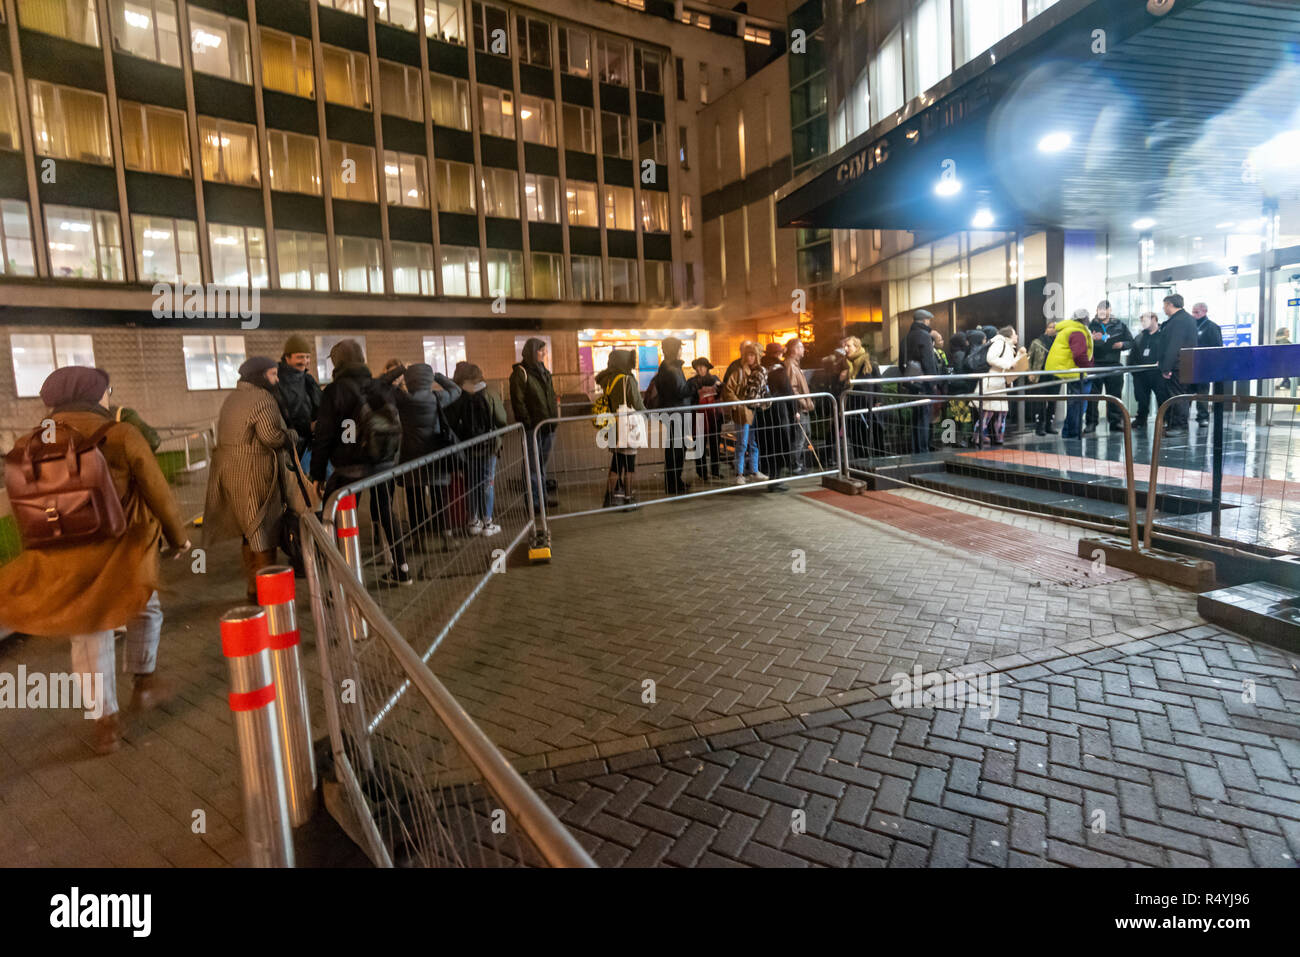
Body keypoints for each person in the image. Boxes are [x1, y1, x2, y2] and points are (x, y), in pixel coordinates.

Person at [0, 366, 190, 755]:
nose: (108, 397)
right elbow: (156, 489)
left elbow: (24, 504)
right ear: (92, 394)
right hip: (123, 547)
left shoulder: (28, 443)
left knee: (88, 632)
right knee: (146, 607)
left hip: (62, 552)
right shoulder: (120, 434)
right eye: (105, 391)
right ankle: (144, 680)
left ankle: (105, 722)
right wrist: (179, 538)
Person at [310, 339, 412, 586]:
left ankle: (345, 582)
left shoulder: (335, 391)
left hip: (349, 468)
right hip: (383, 462)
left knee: (340, 520)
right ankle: (402, 569)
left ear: (339, 362)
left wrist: (317, 474)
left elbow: (324, 435)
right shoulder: (378, 385)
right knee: (387, 512)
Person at [204, 357, 295, 600]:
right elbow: (271, 437)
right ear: (260, 376)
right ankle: (268, 594)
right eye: (273, 374)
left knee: (248, 532)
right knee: (264, 531)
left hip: (229, 471)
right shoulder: (263, 398)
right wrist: (293, 436)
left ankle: (253, 587)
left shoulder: (233, 397)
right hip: (255, 472)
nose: (276, 379)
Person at [379, 361, 461, 546]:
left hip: (411, 456)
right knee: (440, 498)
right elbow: (456, 390)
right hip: (435, 455)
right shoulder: (438, 397)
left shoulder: (403, 399)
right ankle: (446, 536)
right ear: (428, 379)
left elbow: (382, 386)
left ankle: (419, 539)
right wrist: (438, 375)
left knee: (415, 499)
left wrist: (400, 370)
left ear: (410, 379)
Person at [446, 364, 508, 536]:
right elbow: (502, 419)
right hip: (489, 447)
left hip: (468, 449)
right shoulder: (490, 393)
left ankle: (473, 521)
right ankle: (488, 522)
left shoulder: (458, 396)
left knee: (472, 484)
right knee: (488, 483)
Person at [510, 338, 558, 512]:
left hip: (548, 426)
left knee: (541, 465)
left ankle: (543, 498)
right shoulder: (520, 373)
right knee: (532, 466)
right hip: (533, 428)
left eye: (544, 350)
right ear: (531, 352)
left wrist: (554, 419)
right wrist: (528, 423)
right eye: (540, 350)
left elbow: (551, 396)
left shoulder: (544, 372)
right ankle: (534, 503)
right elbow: (518, 401)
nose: (544, 353)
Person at [596, 349, 645, 507]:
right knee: (630, 464)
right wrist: (648, 414)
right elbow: (637, 404)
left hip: (613, 426)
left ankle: (609, 498)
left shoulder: (608, 379)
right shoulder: (627, 379)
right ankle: (628, 498)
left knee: (616, 463)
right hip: (627, 426)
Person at [720, 340, 769, 484]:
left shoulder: (758, 372)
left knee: (753, 443)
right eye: (748, 354)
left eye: (753, 355)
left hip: (754, 411)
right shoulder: (739, 372)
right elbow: (728, 390)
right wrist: (739, 405)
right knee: (741, 443)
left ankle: (754, 470)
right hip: (743, 413)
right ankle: (739, 473)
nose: (750, 358)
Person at [650, 336, 691, 494]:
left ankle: (675, 481)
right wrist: (695, 384)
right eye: (680, 348)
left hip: (674, 412)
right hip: (676, 413)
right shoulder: (671, 369)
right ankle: (674, 483)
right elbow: (680, 392)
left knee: (675, 448)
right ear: (675, 350)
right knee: (676, 449)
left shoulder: (667, 367)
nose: (682, 351)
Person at [1045, 309, 1095, 439]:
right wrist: (1089, 368)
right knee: (1078, 403)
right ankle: (1072, 431)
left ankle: (1069, 430)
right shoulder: (1078, 332)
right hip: (1074, 372)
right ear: (1084, 319)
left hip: (1066, 369)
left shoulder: (1068, 329)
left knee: (1075, 402)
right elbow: (1079, 355)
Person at [1088, 301, 1134, 432]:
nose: (1102, 312)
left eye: (1105, 310)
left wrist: (1122, 345)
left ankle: (1115, 422)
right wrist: (1092, 339)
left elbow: (1131, 342)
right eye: (1099, 310)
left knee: (1115, 395)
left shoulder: (1120, 325)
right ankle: (1091, 423)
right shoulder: (1091, 325)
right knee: (1093, 396)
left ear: (1110, 310)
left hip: (1114, 364)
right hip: (1095, 364)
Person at [1156, 293, 1198, 435]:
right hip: (1183, 364)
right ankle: (1175, 424)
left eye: (1164, 305)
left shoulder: (1178, 321)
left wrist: (1166, 367)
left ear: (1170, 304)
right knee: (1177, 395)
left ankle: (1178, 426)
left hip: (1177, 365)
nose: (1163, 308)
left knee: (1177, 395)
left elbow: (1174, 345)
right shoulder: (1186, 319)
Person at [275, 334, 321, 461]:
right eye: (300, 357)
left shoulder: (308, 379)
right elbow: (281, 417)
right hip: (291, 449)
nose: (305, 361)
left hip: (310, 445)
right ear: (287, 358)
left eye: (307, 357)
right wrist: (308, 427)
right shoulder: (278, 382)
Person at [900, 309, 940, 453]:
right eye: (928, 320)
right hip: (923, 383)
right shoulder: (924, 336)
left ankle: (916, 448)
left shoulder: (906, 337)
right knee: (924, 417)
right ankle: (923, 449)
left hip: (912, 383)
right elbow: (928, 361)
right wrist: (933, 382)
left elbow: (901, 363)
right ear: (925, 321)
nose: (929, 322)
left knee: (916, 417)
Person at [981, 326, 1026, 446]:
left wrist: (1020, 356)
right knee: (988, 412)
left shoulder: (1009, 347)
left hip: (1001, 384)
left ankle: (998, 438)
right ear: (1009, 335)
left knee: (1001, 412)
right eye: (1015, 334)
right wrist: (1008, 365)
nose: (1017, 336)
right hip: (993, 383)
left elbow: (1012, 365)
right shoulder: (1000, 343)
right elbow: (991, 358)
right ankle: (979, 438)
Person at [683, 357, 723, 481]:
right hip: (698, 416)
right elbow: (689, 398)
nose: (700, 369)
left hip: (714, 416)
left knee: (715, 444)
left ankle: (715, 471)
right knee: (699, 445)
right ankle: (702, 473)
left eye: (702, 366)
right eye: (698, 367)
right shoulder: (691, 382)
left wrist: (720, 388)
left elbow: (721, 394)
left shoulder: (715, 379)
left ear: (707, 368)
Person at [784, 338, 815, 474]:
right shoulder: (791, 365)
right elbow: (792, 389)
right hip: (799, 408)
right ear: (795, 349)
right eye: (801, 347)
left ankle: (798, 463)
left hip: (803, 407)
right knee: (799, 437)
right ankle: (794, 465)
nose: (803, 350)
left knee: (805, 434)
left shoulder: (795, 365)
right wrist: (803, 403)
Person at [1128, 311, 1162, 428]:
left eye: (1145, 320)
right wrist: (1134, 371)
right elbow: (1132, 355)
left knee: (1162, 398)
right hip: (1141, 374)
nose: (1143, 323)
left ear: (1154, 320)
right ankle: (1141, 419)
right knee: (1142, 399)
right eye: (1142, 321)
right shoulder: (1140, 337)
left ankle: (1164, 420)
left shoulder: (1164, 335)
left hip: (1158, 374)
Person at [1191, 302, 1223, 423]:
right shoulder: (1191, 325)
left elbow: (1217, 348)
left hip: (1204, 365)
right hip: (1190, 364)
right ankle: (1182, 419)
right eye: (1193, 312)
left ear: (1204, 312)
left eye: (1196, 312)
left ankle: (1203, 417)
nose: (1194, 315)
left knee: (1202, 392)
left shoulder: (1212, 327)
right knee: (1187, 392)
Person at [945, 331, 975, 448]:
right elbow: (962, 373)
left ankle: (949, 440)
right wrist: (968, 384)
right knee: (962, 417)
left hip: (952, 391)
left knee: (954, 416)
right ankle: (961, 440)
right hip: (961, 391)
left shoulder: (951, 354)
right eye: (965, 340)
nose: (967, 342)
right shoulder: (961, 355)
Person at [1028, 322, 1058, 436]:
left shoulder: (1059, 343)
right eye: (1050, 327)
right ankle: (1039, 426)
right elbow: (1029, 359)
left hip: (1055, 376)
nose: (1052, 330)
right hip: (1041, 376)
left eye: (1055, 328)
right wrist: (1030, 373)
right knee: (1040, 401)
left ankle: (1049, 425)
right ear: (1046, 329)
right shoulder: (1037, 342)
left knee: (1053, 402)